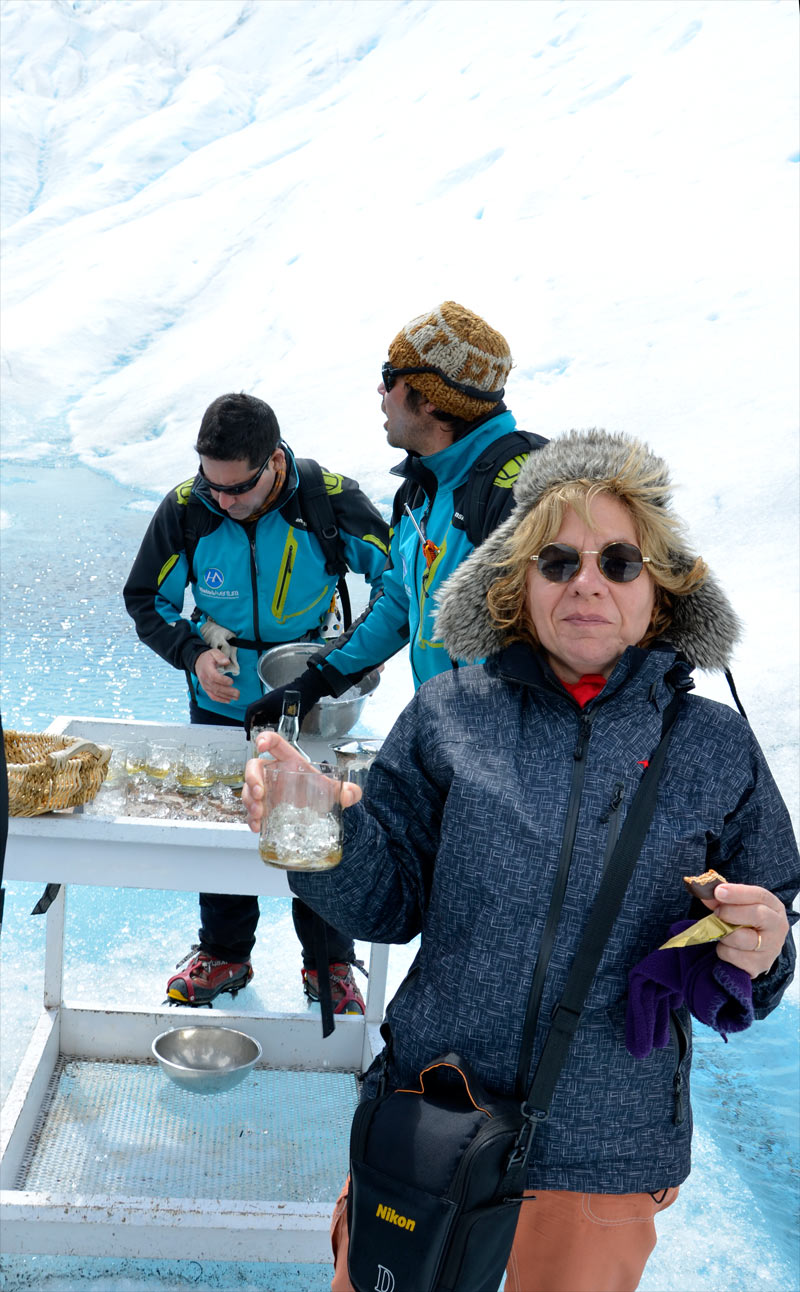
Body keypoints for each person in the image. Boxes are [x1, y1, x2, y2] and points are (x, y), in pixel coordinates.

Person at [241, 428, 798, 1292]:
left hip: (605, 1152)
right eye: (556, 560)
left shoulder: (716, 748)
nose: (587, 581)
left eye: (619, 561)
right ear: (518, 580)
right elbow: (389, 904)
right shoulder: (448, 714)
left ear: (662, 588)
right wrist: (327, 832)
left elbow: (763, 939)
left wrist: (762, 951)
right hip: (434, 1113)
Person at [123, 393, 390, 1011]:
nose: (224, 502)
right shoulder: (188, 510)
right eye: (212, 487)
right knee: (224, 822)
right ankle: (222, 953)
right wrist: (191, 653)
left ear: (273, 461)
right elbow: (146, 599)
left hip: (313, 701)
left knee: (318, 828)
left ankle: (330, 965)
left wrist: (344, 659)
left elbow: (397, 582)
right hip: (223, 701)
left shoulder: (326, 499)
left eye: (237, 489)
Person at [243, 300, 547, 735]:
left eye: (390, 378)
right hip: (454, 737)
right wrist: (312, 684)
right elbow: (402, 603)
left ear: (430, 400)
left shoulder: (524, 492)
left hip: (509, 754)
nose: (381, 391)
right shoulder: (422, 486)